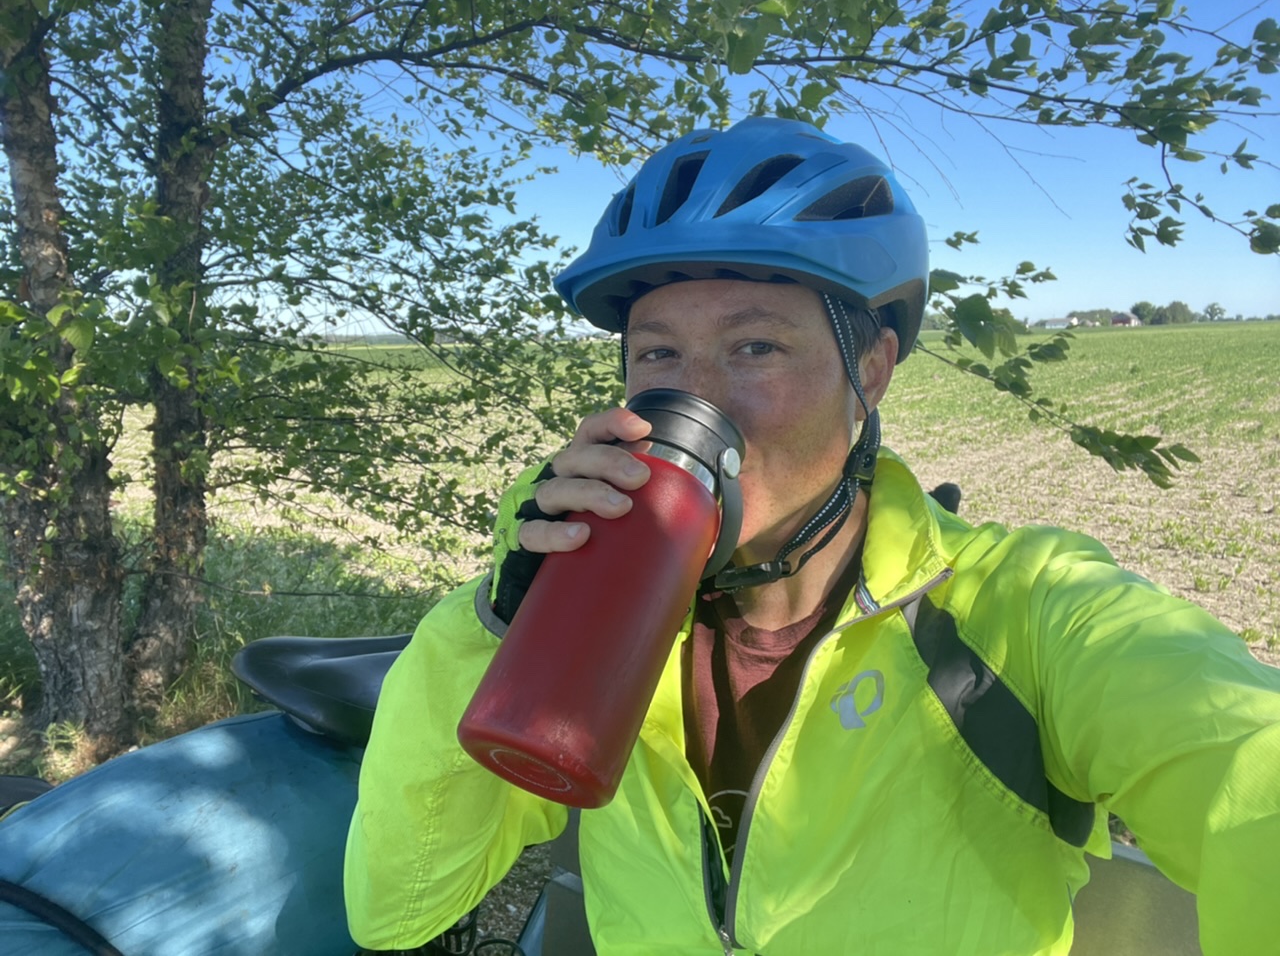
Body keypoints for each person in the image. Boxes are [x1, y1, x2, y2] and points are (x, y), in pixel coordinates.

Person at [344, 117, 1280, 955]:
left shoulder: (1018, 614)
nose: (696, 399)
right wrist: (501, 621)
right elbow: (397, 909)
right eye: (657, 354)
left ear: (870, 369)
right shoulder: (588, 625)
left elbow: (1247, 767)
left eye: (756, 347)